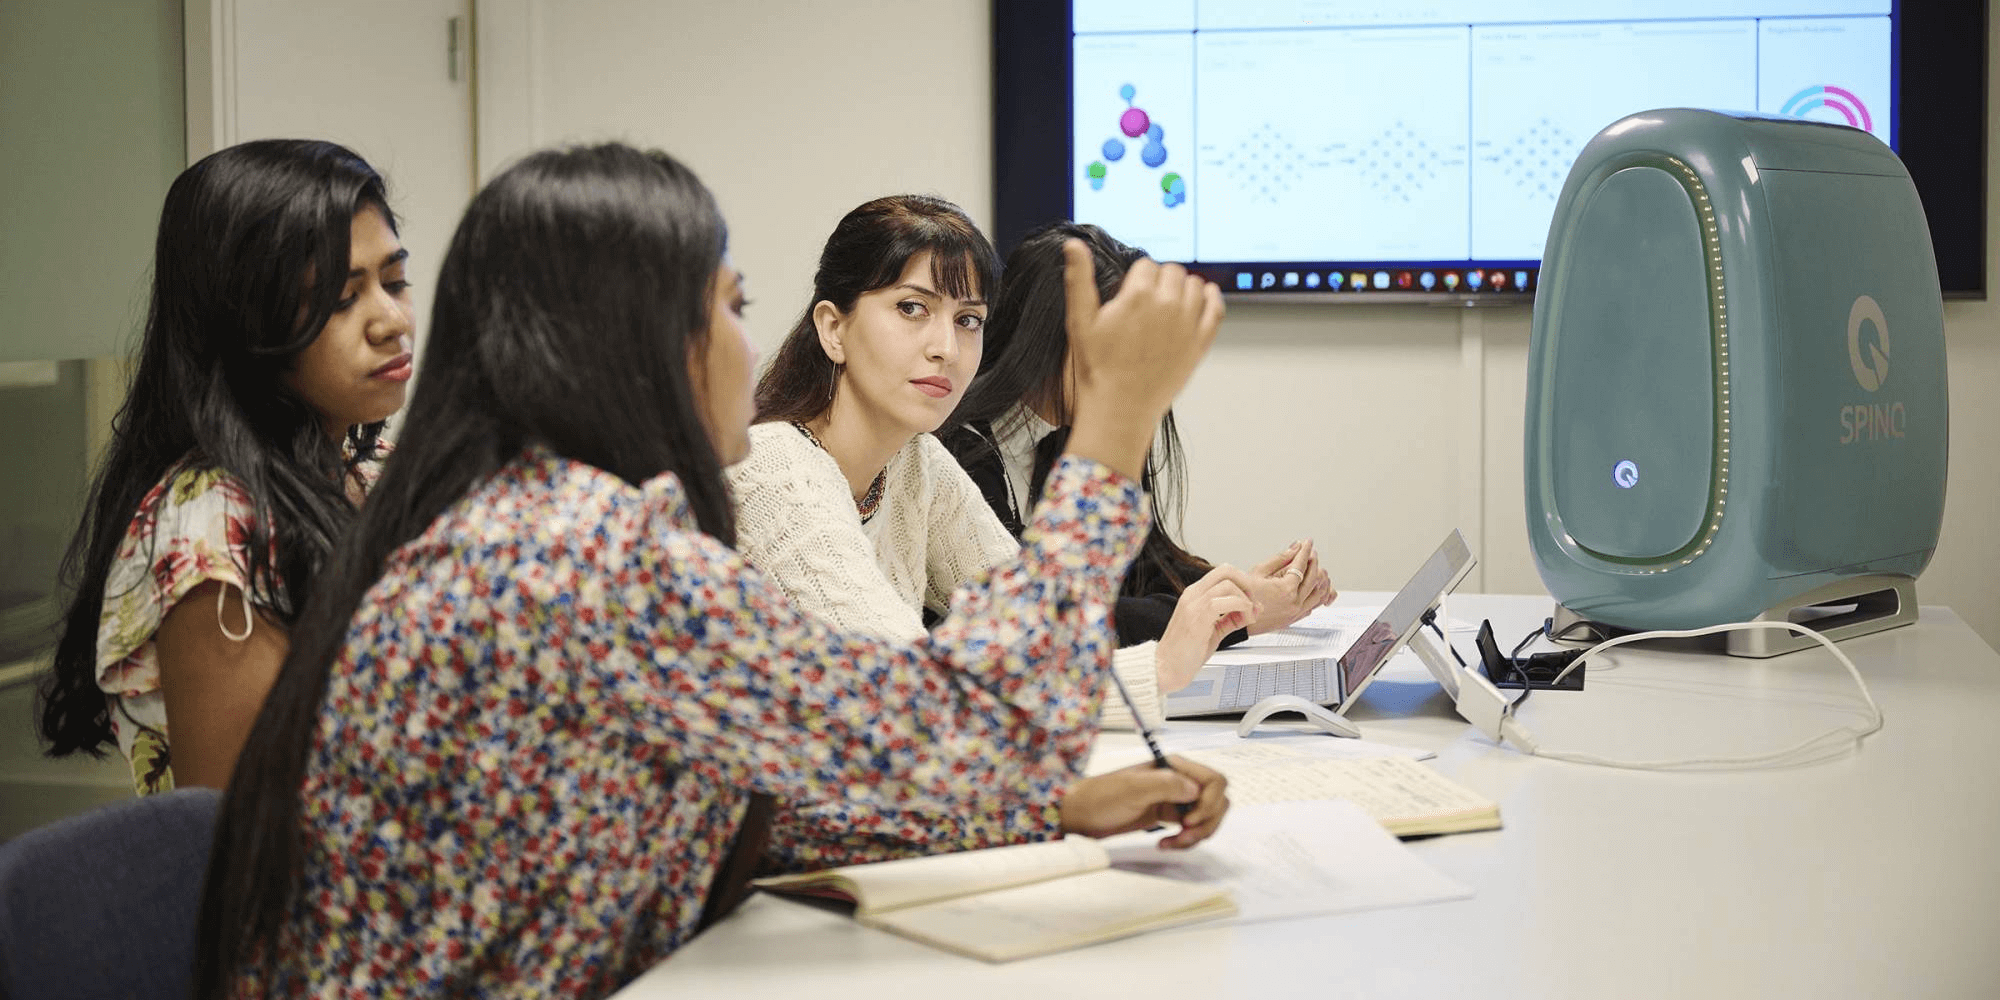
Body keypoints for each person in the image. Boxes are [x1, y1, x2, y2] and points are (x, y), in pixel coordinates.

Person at [194, 143, 1230, 999]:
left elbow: (758, 785)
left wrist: (1038, 808)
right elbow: (986, 723)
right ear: (638, 343)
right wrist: (1111, 433)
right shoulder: (583, 556)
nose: (751, 344)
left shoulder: (534, 518)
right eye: (732, 306)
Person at [731, 195, 1254, 728]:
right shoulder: (777, 468)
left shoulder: (916, 461)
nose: (946, 348)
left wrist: (1160, 669)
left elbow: (1032, 649)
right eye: (912, 308)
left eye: (969, 320)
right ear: (833, 328)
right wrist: (1116, 422)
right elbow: (920, 702)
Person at [36, 139, 412, 794]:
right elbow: (234, 835)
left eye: (395, 281)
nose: (392, 320)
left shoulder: (363, 463)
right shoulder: (211, 533)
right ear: (249, 327)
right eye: (343, 298)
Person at [937, 221, 1335, 650]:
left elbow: (1136, 570)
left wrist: (1242, 590)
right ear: (1046, 333)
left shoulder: (1066, 433)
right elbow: (1051, 627)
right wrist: (1236, 612)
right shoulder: (956, 454)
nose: (1133, 357)